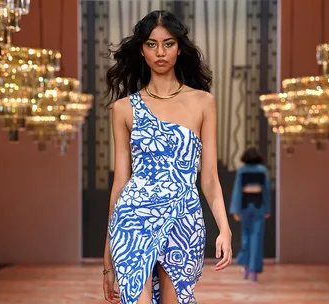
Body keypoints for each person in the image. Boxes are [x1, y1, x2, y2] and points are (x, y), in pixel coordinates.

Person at [102, 10, 232, 304]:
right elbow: (121, 181)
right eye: (151, 44)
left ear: (179, 48)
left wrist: (224, 228)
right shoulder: (124, 108)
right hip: (133, 218)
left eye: (168, 43)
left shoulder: (203, 102)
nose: (160, 52)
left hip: (184, 218)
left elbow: (209, 178)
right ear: (141, 50)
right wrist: (107, 258)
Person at [229, 147, 271, 281]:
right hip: (258, 206)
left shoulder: (242, 171)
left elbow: (237, 191)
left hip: (245, 207)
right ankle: (254, 269)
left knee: (245, 237)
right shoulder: (263, 171)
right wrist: (267, 209)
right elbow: (266, 192)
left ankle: (246, 267)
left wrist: (235, 210)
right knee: (256, 238)